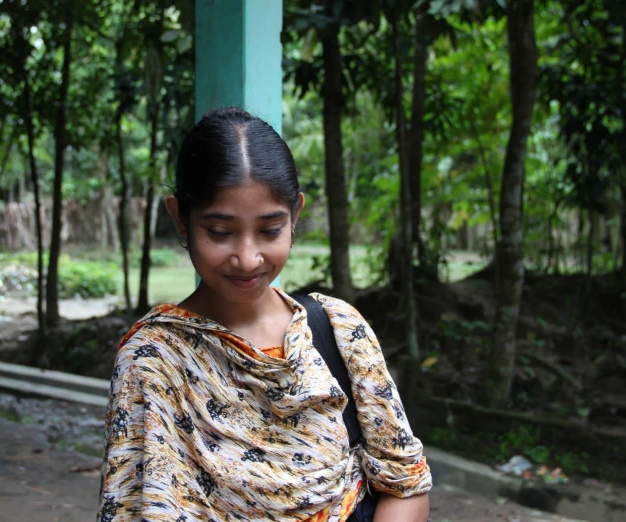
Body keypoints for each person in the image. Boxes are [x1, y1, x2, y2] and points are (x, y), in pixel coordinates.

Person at [97, 107, 432, 522]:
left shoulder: (339, 332)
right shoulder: (154, 361)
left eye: (270, 230)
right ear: (179, 219)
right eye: (220, 232)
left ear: (295, 216)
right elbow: (133, 507)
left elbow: (406, 485)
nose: (247, 257)